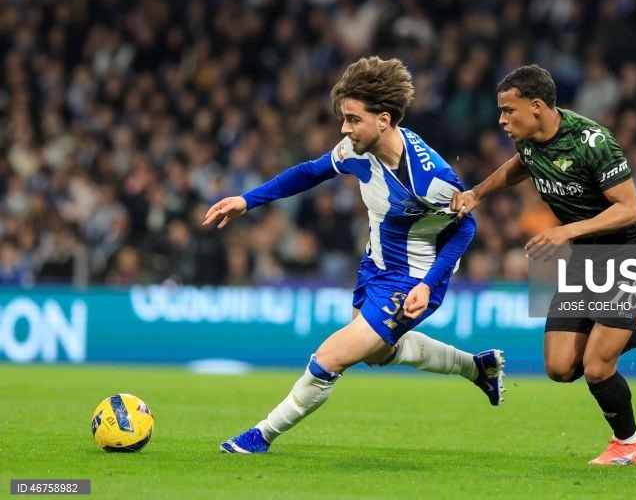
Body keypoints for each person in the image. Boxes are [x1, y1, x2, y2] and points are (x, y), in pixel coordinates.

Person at [203, 56, 505, 454]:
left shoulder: (430, 179)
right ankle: (477, 368)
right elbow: (311, 171)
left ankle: (260, 436)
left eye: (352, 119)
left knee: (330, 357)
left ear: (383, 119)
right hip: (375, 266)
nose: (344, 129)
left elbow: (467, 226)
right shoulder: (356, 148)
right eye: (343, 119)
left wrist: (429, 286)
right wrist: (247, 200)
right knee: (380, 354)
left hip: (412, 277)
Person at [450, 65, 636, 466]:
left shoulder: (593, 142)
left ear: (536, 106)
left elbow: (631, 209)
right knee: (561, 367)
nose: (501, 120)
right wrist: (478, 192)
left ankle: (629, 442)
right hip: (586, 257)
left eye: (507, 111)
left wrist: (566, 232)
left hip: (627, 255)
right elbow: (520, 165)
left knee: (598, 367)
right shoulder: (530, 139)